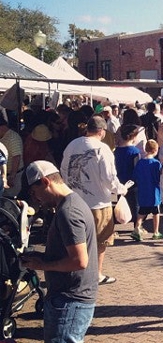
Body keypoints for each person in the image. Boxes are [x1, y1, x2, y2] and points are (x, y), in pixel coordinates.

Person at [21, 161, 98, 343]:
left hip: (69, 299)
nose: (36, 198)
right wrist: (40, 257)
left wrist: (43, 264)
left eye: (34, 192)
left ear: (45, 182)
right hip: (73, 297)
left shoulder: (68, 212)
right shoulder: (72, 203)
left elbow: (79, 261)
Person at [61, 115, 128, 285]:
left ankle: (76, 271)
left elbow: (63, 170)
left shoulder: (72, 145)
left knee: (77, 239)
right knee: (100, 241)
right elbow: (109, 177)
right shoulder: (103, 149)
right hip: (98, 203)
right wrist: (121, 189)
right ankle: (95, 274)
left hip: (74, 200)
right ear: (102, 131)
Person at [131, 140, 163, 241]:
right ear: (155, 150)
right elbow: (159, 178)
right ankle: (156, 231)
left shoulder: (140, 163)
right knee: (156, 213)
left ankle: (137, 229)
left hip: (143, 192)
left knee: (141, 213)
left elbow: (135, 176)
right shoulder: (156, 163)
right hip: (154, 193)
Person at [0, 112, 23, 198]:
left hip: (14, 175)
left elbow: (16, 157)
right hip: (6, 175)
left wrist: (12, 176)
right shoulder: (3, 137)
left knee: (11, 199)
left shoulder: (13, 137)